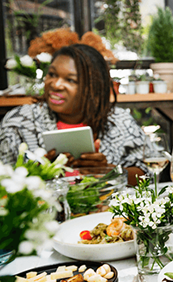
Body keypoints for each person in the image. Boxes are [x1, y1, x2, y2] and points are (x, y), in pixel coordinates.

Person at [0, 44, 147, 184]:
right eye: (52, 74)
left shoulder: (119, 121)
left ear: (93, 87)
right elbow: (4, 181)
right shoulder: (18, 123)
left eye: (71, 80)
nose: (56, 84)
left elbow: (147, 174)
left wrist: (109, 171)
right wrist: (41, 173)